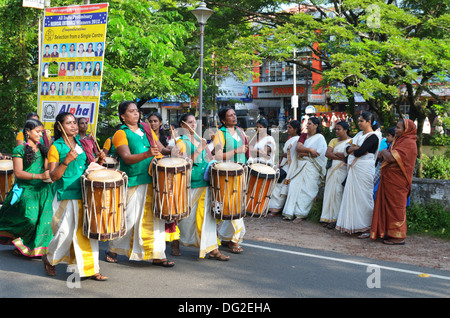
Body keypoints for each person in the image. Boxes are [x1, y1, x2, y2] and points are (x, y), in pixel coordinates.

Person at [105, 101, 174, 267]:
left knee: (154, 219)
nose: (136, 114)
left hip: (152, 178)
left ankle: (158, 254)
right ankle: (113, 248)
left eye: (137, 111)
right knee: (129, 217)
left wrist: (174, 150)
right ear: (123, 116)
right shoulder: (121, 134)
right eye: (131, 111)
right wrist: (146, 154)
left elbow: (161, 149)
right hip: (134, 180)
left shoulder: (146, 129)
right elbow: (127, 157)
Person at [43, 112, 107, 280]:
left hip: (84, 193)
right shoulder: (56, 147)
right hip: (66, 194)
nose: (74, 126)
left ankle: (92, 268)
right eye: (69, 123)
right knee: (64, 233)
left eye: (74, 123)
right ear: (59, 127)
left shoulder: (82, 143)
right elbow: (53, 176)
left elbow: (89, 168)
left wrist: (99, 161)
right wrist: (66, 161)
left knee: (88, 232)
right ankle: (49, 259)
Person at [175, 113, 230, 260]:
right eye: (190, 122)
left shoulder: (201, 140)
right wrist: (200, 148)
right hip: (190, 185)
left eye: (195, 122)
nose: (193, 125)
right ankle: (174, 240)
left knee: (207, 218)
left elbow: (210, 160)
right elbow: (184, 163)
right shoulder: (180, 142)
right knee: (185, 219)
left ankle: (213, 249)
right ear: (182, 125)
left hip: (205, 183)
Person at [0, 119, 53, 257]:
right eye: (37, 132)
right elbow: (18, 173)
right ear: (28, 132)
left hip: (44, 190)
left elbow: (48, 169)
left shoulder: (43, 149)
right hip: (26, 189)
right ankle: (20, 241)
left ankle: (33, 248)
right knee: (30, 219)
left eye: (42, 132)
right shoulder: (19, 149)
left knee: (44, 222)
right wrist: (40, 176)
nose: (40, 135)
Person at [370, 119, 417, 245]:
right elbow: (384, 156)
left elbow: (390, 158)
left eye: (398, 128)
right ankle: (385, 232)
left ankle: (398, 237)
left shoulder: (409, 143)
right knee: (386, 206)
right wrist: (385, 153)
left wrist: (384, 152)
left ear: (406, 130)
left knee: (396, 208)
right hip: (388, 179)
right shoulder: (398, 140)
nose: (396, 130)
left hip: (398, 181)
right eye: (396, 127)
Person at [335, 112, 381, 238]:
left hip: (364, 169)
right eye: (359, 120)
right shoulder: (359, 135)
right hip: (355, 169)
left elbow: (359, 151)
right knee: (353, 196)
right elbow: (347, 147)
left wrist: (352, 149)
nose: (359, 123)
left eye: (361, 121)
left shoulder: (373, 137)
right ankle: (354, 226)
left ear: (369, 122)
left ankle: (367, 227)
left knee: (364, 197)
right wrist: (353, 148)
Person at [213, 107, 248, 253]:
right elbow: (218, 156)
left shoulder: (240, 131)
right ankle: (235, 240)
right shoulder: (220, 134)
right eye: (230, 115)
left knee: (237, 206)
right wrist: (235, 151)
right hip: (227, 176)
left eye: (234, 114)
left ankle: (226, 238)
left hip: (241, 173)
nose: (234, 117)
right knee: (233, 206)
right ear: (223, 120)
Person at [282, 117, 327, 223]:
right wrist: (310, 150)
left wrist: (304, 152)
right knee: (293, 187)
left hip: (312, 168)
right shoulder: (303, 136)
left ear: (316, 125)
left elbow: (319, 154)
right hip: (300, 166)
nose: (307, 126)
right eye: (307, 124)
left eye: (310, 124)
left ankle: (300, 214)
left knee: (306, 190)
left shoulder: (320, 138)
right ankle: (290, 212)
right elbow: (298, 149)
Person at [319, 121, 352, 229]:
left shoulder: (351, 141)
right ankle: (327, 218)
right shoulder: (333, 140)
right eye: (336, 129)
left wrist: (339, 156)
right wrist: (340, 156)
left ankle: (337, 219)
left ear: (346, 130)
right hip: (332, 170)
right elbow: (327, 153)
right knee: (329, 193)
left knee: (338, 193)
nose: (337, 131)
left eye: (339, 129)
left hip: (342, 170)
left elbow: (349, 157)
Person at [267, 120, 301, 217]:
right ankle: (271, 207)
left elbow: (293, 154)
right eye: (288, 127)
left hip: (289, 167)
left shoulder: (297, 139)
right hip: (283, 164)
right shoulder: (291, 139)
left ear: (296, 129)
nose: (288, 129)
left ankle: (276, 209)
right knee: (276, 186)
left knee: (281, 186)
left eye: (290, 128)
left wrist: (285, 155)